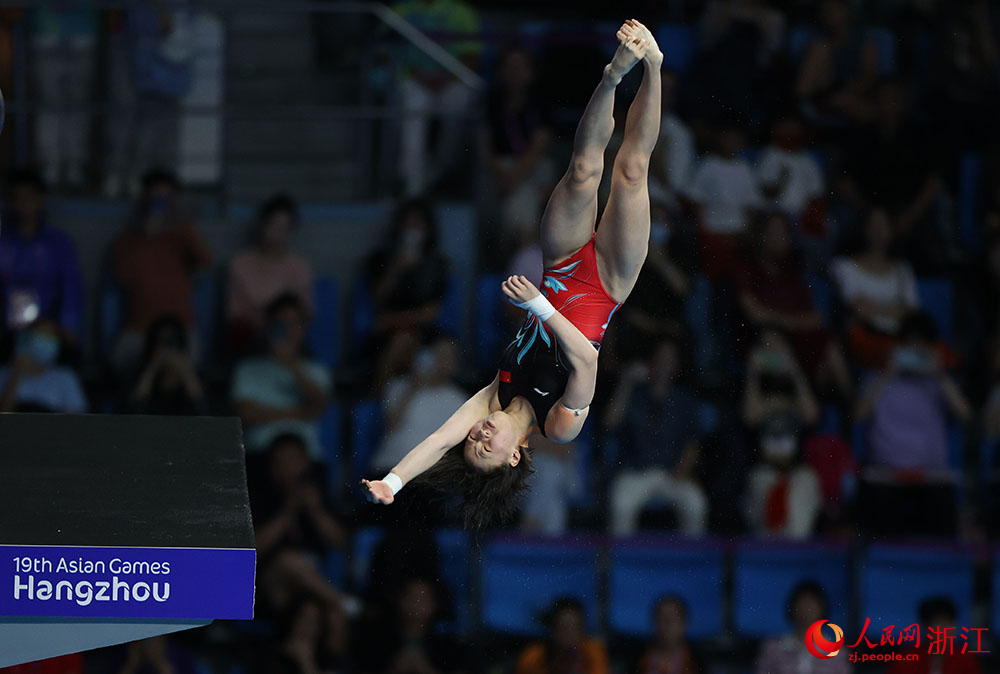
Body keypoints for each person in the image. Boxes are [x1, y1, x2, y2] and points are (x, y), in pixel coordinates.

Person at [363, 21, 664, 528]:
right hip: (609, 283)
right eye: (488, 450)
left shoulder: (491, 397)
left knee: (583, 170)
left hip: (562, 264)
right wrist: (540, 308)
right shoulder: (559, 428)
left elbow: (439, 439)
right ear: (515, 456)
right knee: (632, 171)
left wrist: (393, 482)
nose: (479, 437)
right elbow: (587, 364)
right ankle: (654, 65)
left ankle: (613, 76)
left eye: (474, 443)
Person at [737, 212, 852, 398]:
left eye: (784, 231)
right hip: (761, 344)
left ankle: (847, 409)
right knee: (773, 342)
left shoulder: (795, 269)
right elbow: (755, 314)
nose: (780, 237)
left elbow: (816, 316)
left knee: (830, 345)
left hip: (798, 338)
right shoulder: (747, 269)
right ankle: (783, 412)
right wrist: (790, 323)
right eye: (774, 231)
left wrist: (791, 323)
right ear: (761, 235)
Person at [838, 79, 948, 274]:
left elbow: (934, 182)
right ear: (874, 102)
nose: (888, 103)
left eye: (893, 98)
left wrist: (911, 215)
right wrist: (868, 213)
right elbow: (844, 183)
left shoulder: (920, 135)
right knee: (845, 248)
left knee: (932, 258)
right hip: (868, 214)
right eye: (882, 98)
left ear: (903, 102)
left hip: (910, 217)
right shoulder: (860, 135)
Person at [112, 169, 212, 377]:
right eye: (154, 197)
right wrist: (145, 236)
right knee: (121, 365)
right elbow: (123, 276)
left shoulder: (183, 236)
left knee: (188, 370)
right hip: (139, 329)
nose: (160, 203)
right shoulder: (128, 240)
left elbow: (206, 263)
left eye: (166, 198)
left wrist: (184, 229)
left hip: (180, 328)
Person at [604, 339, 707, 536]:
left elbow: (693, 443)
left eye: (669, 359)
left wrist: (683, 471)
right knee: (621, 503)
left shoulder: (684, 401)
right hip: (636, 472)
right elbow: (610, 423)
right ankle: (622, 564)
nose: (663, 364)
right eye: (659, 358)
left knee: (695, 503)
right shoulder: (634, 395)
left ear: (676, 365)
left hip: (673, 474)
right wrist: (626, 382)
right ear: (651, 362)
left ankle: (691, 564)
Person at [251, 433, 350, 617]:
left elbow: (339, 541)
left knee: (316, 612)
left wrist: (316, 510)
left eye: (293, 459)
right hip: (271, 583)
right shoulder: (260, 498)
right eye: (281, 461)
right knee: (288, 560)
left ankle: (338, 609)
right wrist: (288, 510)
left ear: (306, 461)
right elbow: (255, 547)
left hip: (314, 583)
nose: (288, 467)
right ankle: (345, 603)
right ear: (272, 466)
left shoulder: (318, 494)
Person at [391, 0, 482, 196]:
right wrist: (418, 75)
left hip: (451, 80)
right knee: (413, 105)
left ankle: (442, 169)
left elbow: (471, 57)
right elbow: (384, 50)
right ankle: (412, 183)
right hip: (415, 79)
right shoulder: (402, 9)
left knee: (460, 101)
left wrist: (445, 79)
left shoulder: (461, 12)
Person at [741, 328, 822, 538]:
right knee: (766, 497)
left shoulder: (798, 385)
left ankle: (794, 558)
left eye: (777, 346)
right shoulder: (755, 386)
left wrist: (795, 372)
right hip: (763, 470)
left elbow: (811, 415)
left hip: (795, 470)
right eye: (766, 347)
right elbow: (751, 416)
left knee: (805, 486)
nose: (771, 351)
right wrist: (753, 373)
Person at [364, 198, 449, 393]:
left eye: (418, 224)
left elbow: (430, 313)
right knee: (402, 340)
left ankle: (427, 403)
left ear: (428, 229)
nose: (413, 230)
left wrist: (392, 320)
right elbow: (376, 299)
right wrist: (397, 267)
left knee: (447, 348)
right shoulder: (381, 260)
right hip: (387, 335)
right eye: (408, 223)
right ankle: (381, 397)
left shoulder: (437, 265)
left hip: (416, 329)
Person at [233, 294, 331, 459]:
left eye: (294, 324)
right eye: (281, 323)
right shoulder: (248, 369)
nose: (287, 330)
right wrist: (300, 414)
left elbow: (319, 406)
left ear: (304, 329)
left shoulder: (316, 370)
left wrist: (290, 365)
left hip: (305, 456)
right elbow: (246, 412)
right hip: (260, 454)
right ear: (270, 326)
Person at [830, 208, 922, 370]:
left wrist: (873, 308)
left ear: (892, 230)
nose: (879, 231)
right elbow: (859, 310)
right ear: (864, 228)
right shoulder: (844, 266)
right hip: (866, 338)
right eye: (874, 224)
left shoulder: (902, 269)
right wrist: (895, 310)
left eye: (884, 225)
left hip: (899, 338)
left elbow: (912, 313)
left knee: (934, 353)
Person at [0, 170, 84, 343]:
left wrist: (67, 327)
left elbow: (71, 287)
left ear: (41, 199)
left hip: (49, 329)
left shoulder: (59, 243)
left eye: (28, 198)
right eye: (16, 198)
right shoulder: (4, 242)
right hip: (7, 330)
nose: (22, 205)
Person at [485, 45, 555, 241]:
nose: (514, 72)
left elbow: (539, 147)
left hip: (532, 166)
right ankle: (524, 244)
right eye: (510, 66)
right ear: (501, 71)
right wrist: (504, 174)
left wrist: (514, 179)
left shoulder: (541, 102)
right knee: (519, 194)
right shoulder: (492, 101)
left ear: (531, 71)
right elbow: (486, 146)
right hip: (501, 166)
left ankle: (522, 243)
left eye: (520, 66)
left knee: (525, 192)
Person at [228, 194, 313, 354]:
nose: (277, 233)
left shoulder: (300, 266)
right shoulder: (239, 263)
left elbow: (306, 313)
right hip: (252, 340)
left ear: (291, 230)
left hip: (290, 339)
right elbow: (235, 316)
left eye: (284, 228)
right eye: (273, 225)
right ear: (262, 225)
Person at [371, 336, 468, 474]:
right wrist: (414, 387)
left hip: (429, 474)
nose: (445, 361)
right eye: (440, 355)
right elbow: (390, 426)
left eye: (450, 356)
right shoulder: (397, 386)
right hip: (389, 466)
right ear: (426, 356)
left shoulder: (459, 399)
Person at [29, 8, 98, 188]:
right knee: (49, 106)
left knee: (78, 107)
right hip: (45, 32)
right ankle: (50, 165)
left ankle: (75, 164)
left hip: (83, 33)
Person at [687, 125, 763, 279]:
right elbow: (696, 202)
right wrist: (706, 232)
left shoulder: (745, 168)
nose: (731, 142)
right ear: (719, 138)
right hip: (714, 234)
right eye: (727, 137)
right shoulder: (707, 166)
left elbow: (752, 206)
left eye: (735, 138)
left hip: (740, 235)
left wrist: (749, 233)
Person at [796, 0, 880, 126]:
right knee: (820, 48)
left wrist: (844, 95)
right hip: (824, 92)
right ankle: (797, 111)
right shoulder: (818, 41)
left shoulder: (865, 40)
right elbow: (807, 84)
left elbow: (870, 76)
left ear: (847, 12)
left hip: (853, 92)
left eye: (834, 10)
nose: (829, 15)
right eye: (826, 11)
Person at [357, 576, 463, 674]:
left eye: (423, 597)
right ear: (399, 600)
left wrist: (425, 669)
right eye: (411, 596)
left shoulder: (448, 645)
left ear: (434, 603)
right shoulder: (378, 642)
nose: (416, 604)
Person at [755, 581, 850, 674]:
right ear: (792, 608)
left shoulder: (837, 651)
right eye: (802, 603)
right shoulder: (773, 649)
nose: (806, 609)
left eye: (812, 604)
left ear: (822, 608)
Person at [0, 319, 86, 414]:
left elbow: (77, 421)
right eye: (42, 335)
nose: (47, 341)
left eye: (52, 337)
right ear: (27, 338)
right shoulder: (4, 373)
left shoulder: (65, 377)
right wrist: (17, 371)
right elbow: (3, 416)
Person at [130, 315, 207, 416]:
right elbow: (133, 413)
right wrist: (153, 367)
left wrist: (185, 371)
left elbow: (205, 413)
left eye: (172, 341)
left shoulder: (195, 379)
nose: (168, 349)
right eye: (162, 341)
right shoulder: (139, 375)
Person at [886, 597, 982, 674]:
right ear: (925, 626)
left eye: (949, 623)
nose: (945, 629)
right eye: (938, 623)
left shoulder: (966, 661)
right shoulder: (905, 659)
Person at [257, 594, 350, 674]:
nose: (306, 626)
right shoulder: (271, 654)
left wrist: (307, 663)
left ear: (320, 628)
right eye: (303, 618)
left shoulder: (326, 661)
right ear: (294, 620)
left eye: (313, 621)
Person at [514, 597, 608, 674]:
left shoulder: (593, 652)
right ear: (553, 628)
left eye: (576, 627)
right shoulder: (533, 657)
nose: (570, 633)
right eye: (565, 627)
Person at [634, 596, 701, 674]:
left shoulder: (699, 662)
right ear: (654, 622)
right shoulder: (637, 660)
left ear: (685, 623)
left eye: (673, 617)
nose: (668, 623)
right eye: (662, 617)